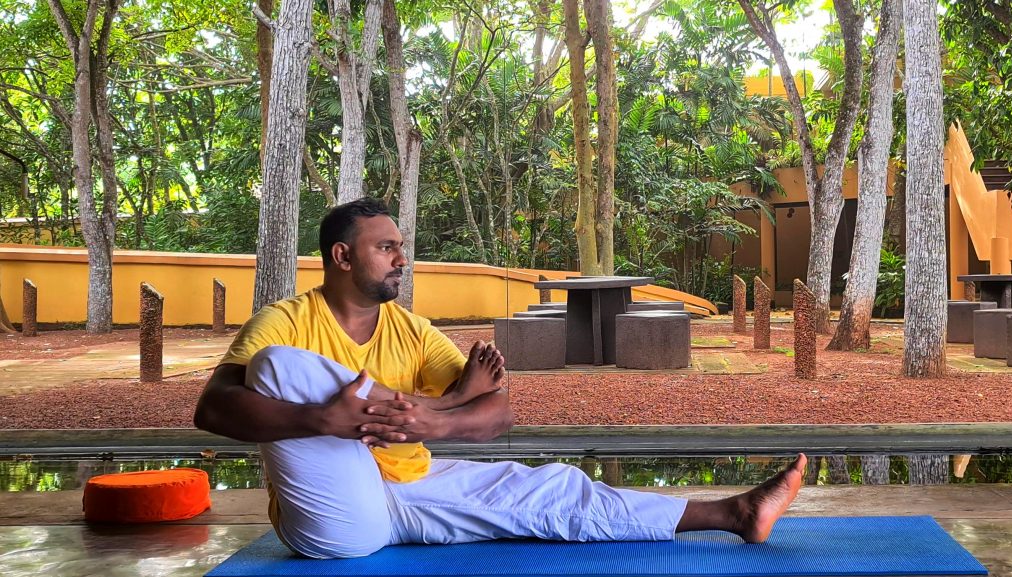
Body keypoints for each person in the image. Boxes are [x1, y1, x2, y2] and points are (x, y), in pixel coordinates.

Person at [194, 197, 806, 559]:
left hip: (411, 489)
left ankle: (733, 513)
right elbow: (213, 409)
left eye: (401, 246)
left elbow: (500, 416)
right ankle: (365, 411)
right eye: (386, 248)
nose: (401, 258)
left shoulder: (410, 328)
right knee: (279, 367)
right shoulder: (286, 320)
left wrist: (435, 418)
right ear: (343, 256)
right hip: (336, 516)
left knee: (554, 488)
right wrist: (320, 420)